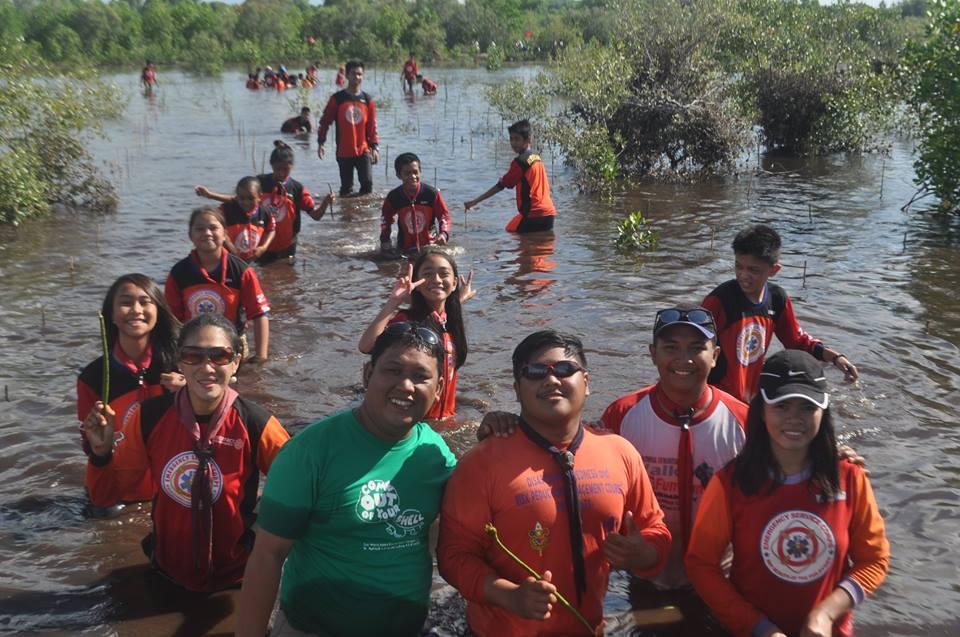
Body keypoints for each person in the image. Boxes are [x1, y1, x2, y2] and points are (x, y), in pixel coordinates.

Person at [437, 330, 671, 636]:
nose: (551, 380)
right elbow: (453, 556)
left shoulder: (619, 452)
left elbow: (654, 527)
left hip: (590, 627)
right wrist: (508, 594)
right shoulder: (481, 464)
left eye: (564, 369)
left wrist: (644, 555)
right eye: (535, 372)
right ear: (517, 390)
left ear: (586, 383)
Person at [236, 322, 456, 637]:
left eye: (421, 376)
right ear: (368, 375)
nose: (406, 386)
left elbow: (471, 521)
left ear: (439, 388)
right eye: (392, 370)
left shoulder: (436, 454)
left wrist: (498, 436)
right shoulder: (310, 452)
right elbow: (267, 556)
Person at [686, 350, 889, 637]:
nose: (794, 418)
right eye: (781, 407)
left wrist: (825, 613)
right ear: (761, 410)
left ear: (823, 411)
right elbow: (701, 565)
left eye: (807, 407)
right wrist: (759, 627)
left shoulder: (850, 477)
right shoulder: (730, 483)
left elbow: (875, 560)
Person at [82, 314, 290, 592]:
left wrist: (270, 544)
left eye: (219, 356)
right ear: (180, 362)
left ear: (236, 361)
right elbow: (108, 495)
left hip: (238, 577)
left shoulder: (256, 423)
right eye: (193, 356)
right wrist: (101, 453)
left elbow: (300, 488)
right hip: (168, 571)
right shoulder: (151, 417)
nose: (206, 367)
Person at [599, 306, 747, 633]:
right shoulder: (622, 415)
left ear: (716, 355)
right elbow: (576, 460)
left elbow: (781, 479)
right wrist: (512, 428)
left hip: (720, 581)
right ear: (653, 354)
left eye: (697, 348)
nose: (684, 359)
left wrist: (835, 459)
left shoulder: (742, 421)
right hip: (645, 575)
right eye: (671, 348)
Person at [702, 224, 859, 403]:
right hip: (718, 399)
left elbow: (797, 342)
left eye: (753, 270)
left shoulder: (777, 299)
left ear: (774, 270)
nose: (743, 275)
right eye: (739, 266)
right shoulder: (719, 301)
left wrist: (835, 358)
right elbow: (696, 348)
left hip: (751, 398)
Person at [77, 274, 185, 504]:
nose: (136, 309)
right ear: (112, 315)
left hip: (173, 486)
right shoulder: (92, 377)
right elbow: (90, 446)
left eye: (145, 302)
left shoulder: (182, 365)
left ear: (158, 310)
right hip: (114, 492)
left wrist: (189, 394)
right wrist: (99, 447)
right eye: (126, 302)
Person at [358, 249, 474, 420]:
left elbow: (438, 318)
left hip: (445, 418)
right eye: (428, 274)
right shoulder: (407, 322)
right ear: (416, 283)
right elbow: (366, 346)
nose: (436, 280)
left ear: (455, 282)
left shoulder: (449, 322)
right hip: (418, 422)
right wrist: (394, 301)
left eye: (444, 274)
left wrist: (458, 300)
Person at [196, 141, 334, 263]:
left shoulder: (297, 189)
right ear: (271, 166)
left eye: (285, 169)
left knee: (288, 281)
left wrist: (326, 202)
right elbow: (238, 200)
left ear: (292, 166)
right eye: (277, 169)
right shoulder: (260, 183)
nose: (281, 173)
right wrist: (210, 195)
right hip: (261, 246)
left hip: (287, 246)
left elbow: (316, 215)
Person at [164, 207, 271, 362]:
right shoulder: (179, 273)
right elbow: (171, 318)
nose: (207, 233)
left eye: (213, 228)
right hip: (192, 345)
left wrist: (261, 356)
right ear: (190, 235)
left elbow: (259, 313)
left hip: (231, 344)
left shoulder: (241, 271)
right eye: (199, 229)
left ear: (225, 234)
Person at [464, 119, 557, 233]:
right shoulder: (536, 158)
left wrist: (475, 201)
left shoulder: (520, 162)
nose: (513, 143)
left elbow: (500, 186)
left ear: (528, 140)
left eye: (517, 139)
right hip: (549, 213)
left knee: (511, 233)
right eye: (511, 139)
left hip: (533, 214)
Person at [317, 60, 379, 196]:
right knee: (346, 188)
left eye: (359, 74)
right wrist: (321, 142)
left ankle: (365, 215)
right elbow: (325, 121)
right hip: (344, 150)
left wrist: (375, 147)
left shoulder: (368, 100)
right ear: (346, 75)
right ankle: (346, 214)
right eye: (353, 74)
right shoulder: (337, 99)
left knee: (367, 184)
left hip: (363, 149)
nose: (357, 77)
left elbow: (372, 126)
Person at [380, 152, 451, 253]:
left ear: (420, 171)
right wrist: (385, 240)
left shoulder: (431, 194)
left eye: (415, 172)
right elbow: (385, 220)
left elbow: (444, 216)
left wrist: (444, 234)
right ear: (399, 175)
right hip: (404, 247)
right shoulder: (394, 197)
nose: (412, 176)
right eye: (407, 173)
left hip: (430, 246)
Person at [212, 176, 275, 263]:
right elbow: (215, 226)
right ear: (237, 197)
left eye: (250, 198)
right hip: (225, 258)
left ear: (260, 197)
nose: (246, 202)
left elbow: (271, 230)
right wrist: (229, 245)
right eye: (242, 198)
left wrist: (263, 247)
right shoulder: (227, 210)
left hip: (248, 260)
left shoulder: (265, 213)